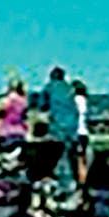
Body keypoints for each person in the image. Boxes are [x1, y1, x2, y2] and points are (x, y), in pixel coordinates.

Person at [41, 66, 77, 194]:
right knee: (70, 154)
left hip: (57, 126)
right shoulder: (69, 88)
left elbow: (43, 105)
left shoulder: (50, 87)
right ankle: (70, 181)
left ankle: (63, 185)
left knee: (58, 155)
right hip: (72, 126)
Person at [0, 77, 29, 160]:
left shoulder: (7, 100)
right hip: (20, 132)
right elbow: (24, 116)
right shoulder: (24, 101)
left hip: (6, 132)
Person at [70, 78, 90, 186]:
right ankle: (83, 179)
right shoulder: (85, 100)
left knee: (77, 159)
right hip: (84, 132)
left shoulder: (75, 100)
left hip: (76, 132)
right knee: (82, 157)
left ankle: (80, 181)